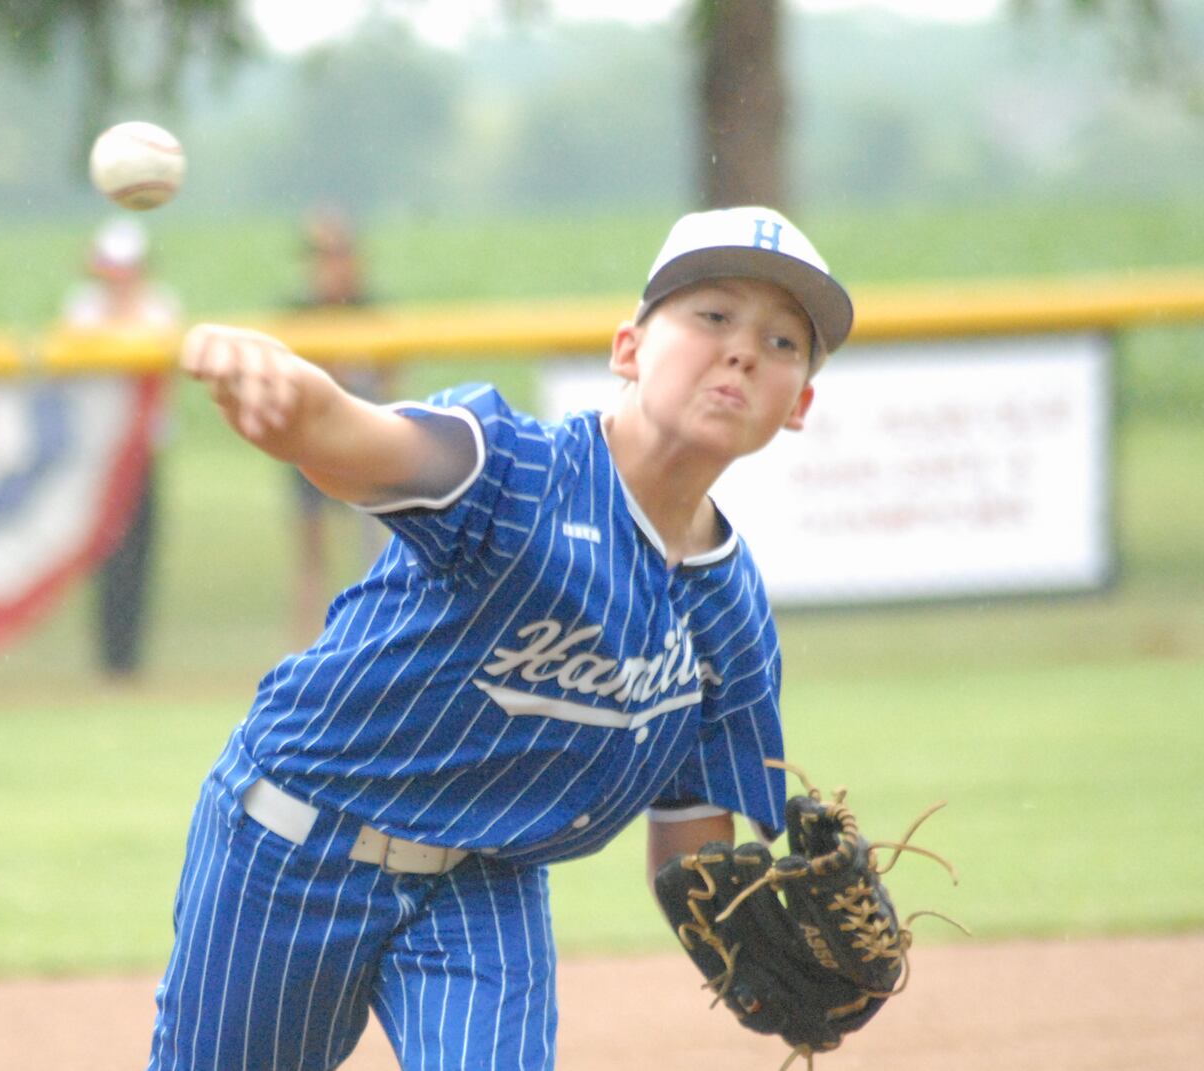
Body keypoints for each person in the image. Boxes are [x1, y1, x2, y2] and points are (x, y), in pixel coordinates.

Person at [148, 206, 855, 1071]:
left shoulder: (730, 617)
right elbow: (355, 440)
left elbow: (692, 851)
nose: (745, 350)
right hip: (297, 844)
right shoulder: (517, 473)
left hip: (484, 878)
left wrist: (766, 948)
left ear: (801, 404)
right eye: (713, 316)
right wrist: (290, 398)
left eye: (785, 342)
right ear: (628, 348)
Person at [61, 217, 183, 677]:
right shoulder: (83, 308)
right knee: (105, 553)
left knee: (140, 551)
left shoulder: (159, 306)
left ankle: (131, 656)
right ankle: (108, 656)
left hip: (144, 451)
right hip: (100, 453)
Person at [286, 207, 395, 643]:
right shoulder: (298, 313)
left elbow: (391, 378)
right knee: (311, 552)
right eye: (319, 256)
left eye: (335, 254)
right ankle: (305, 646)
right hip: (308, 442)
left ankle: (374, 639)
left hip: (363, 440)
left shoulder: (369, 310)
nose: (327, 265)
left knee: (374, 548)